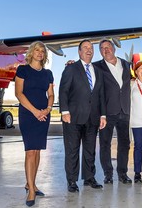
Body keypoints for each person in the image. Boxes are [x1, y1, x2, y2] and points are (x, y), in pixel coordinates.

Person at [59, 40, 106, 193]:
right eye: (85, 48)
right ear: (79, 52)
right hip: (73, 117)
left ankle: (89, 178)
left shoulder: (98, 71)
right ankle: (71, 181)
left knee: (90, 150)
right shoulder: (71, 68)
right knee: (72, 150)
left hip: (92, 118)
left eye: (91, 48)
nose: (89, 50)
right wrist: (64, 111)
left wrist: (103, 115)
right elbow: (63, 90)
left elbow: (101, 95)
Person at [15, 41, 54, 207]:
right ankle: (31, 190)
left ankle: (31, 183)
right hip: (28, 114)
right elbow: (19, 94)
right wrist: (35, 111)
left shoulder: (48, 74)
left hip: (44, 115)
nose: (39, 53)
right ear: (31, 52)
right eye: (36, 50)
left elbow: (51, 94)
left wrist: (48, 108)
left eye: (42, 51)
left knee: (37, 151)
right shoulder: (22, 70)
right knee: (30, 151)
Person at [93, 39, 132, 184]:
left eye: (108, 47)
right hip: (107, 112)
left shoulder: (127, 64)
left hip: (124, 110)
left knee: (124, 144)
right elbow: (83, 70)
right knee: (104, 144)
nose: (105, 50)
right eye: (102, 48)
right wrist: (71, 65)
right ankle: (108, 174)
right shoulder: (97, 66)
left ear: (114, 49)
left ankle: (122, 173)